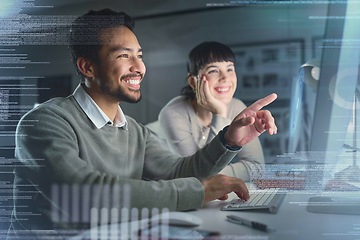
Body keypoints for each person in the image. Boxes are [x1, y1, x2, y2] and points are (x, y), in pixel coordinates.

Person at [8, 8, 277, 238]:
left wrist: (228, 140)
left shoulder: (134, 131)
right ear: (87, 67)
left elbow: (181, 171)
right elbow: (83, 195)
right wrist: (196, 191)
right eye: (124, 56)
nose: (139, 67)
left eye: (140, 55)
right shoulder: (43, 122)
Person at [159, 41, 264, 181]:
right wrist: (220, 113)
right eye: (213, 71)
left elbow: (257, 167)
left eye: (230, 69)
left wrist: (214, 175)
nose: (225, 78)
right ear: (193, 82)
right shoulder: (173, 113)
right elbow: (195, 176)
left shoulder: (237, 107)